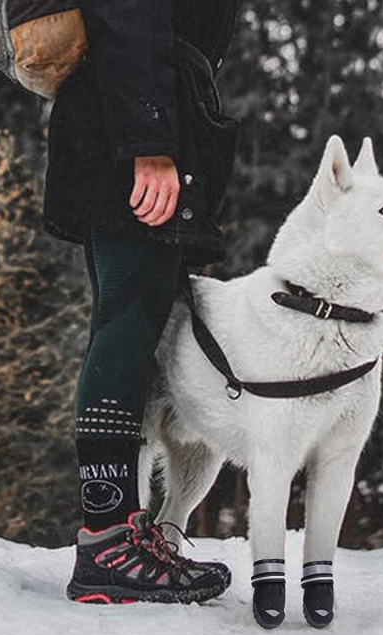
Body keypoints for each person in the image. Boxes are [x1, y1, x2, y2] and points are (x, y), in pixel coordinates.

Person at [42, 0, 241, 604]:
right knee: (126, 326)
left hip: (130, 121)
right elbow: (128, 16)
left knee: (130, 322)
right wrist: (150, 143)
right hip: (134, 132)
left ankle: (115, 536)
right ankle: (108, 542)